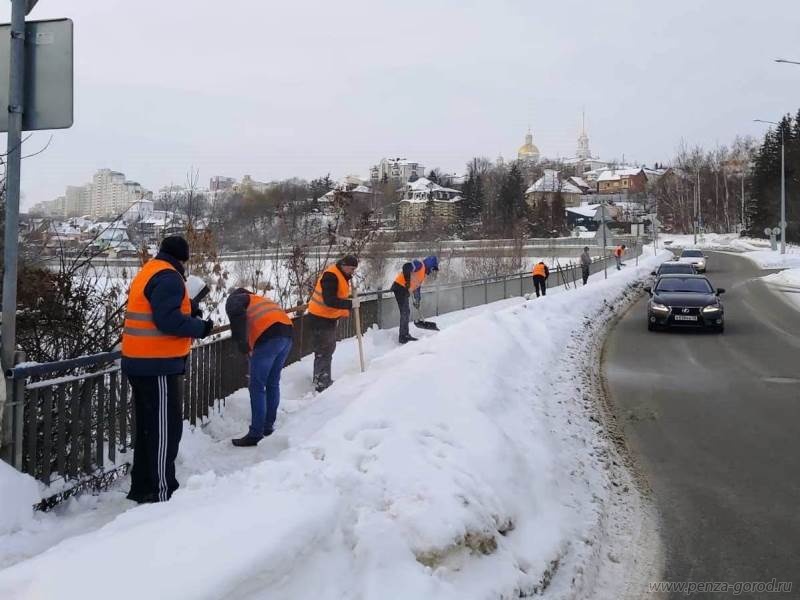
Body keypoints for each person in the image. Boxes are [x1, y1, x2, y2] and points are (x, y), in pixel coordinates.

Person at [121, 236, 214, 503]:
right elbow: (167, 320)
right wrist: (201, 327)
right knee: (165, 430)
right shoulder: (170, 277)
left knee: (149, 429)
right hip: (157, 364)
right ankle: (163, 492)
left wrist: (190, 311)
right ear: (183, 257)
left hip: (139, 361)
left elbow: (161, 311)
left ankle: (142, 488)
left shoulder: (149, 271)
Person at [226, 287, 293, 447]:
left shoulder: (237, 298)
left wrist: (241, 343)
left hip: (269, 338)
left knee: (257, 386)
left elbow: (236, 314)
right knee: (272, 383)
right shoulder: (261, 299)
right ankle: (268, 427)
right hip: (287, 335)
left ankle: (255, 433)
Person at [307, 255, 358, 392]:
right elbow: (329, 300)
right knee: (325, 349)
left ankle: (321, 378)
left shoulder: (340, 275)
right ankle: (322, 382)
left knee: (325, 349)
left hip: (326, 317)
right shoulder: (331, 276)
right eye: (351, 269)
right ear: (344, 265)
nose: (352, 272)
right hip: (320, 318)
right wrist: (350, 304)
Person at [390, 256, 439, 344]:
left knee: (406, 312)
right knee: (405, 312)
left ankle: (405, 334)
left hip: (403, 289)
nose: (432, 272)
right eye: (432, 269)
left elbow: (417, 287)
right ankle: (403, 336)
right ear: (430, 265)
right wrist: (408, 283)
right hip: (400, 286)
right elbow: (406, 267)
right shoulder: (419, 265)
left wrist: (417, 300)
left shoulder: (422, 273)